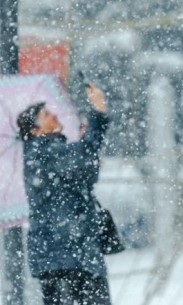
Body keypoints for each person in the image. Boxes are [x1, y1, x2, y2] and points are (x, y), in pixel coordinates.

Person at [17, 84, 111, 305]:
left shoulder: (50, 153)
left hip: (75, 256)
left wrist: (87, 149)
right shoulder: (42, 152)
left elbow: (84, 174)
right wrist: (97, 113)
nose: (54, 115)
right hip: (66, 259)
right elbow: (83, 157)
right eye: (46, 115)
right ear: (35, 130)